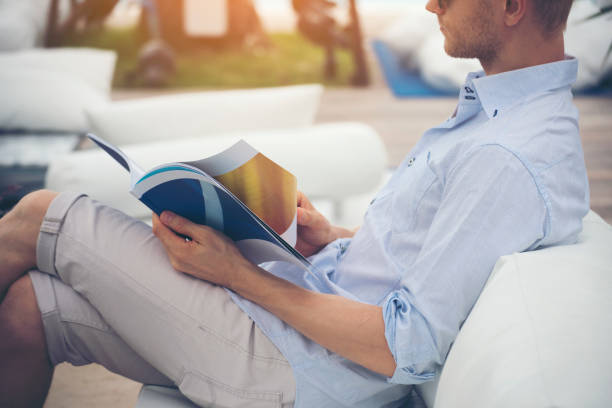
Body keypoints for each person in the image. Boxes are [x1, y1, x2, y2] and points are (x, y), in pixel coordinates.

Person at [0, 0, 588, 406]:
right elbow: (434, 256)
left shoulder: (507, 155)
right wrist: (334, 238)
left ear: (513, 5)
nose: (432, 5)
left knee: (38, 215)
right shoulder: (507, 121)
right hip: (296, 329)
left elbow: (403, 344)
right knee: (32, 310)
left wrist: (236, 273)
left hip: (294, 370)